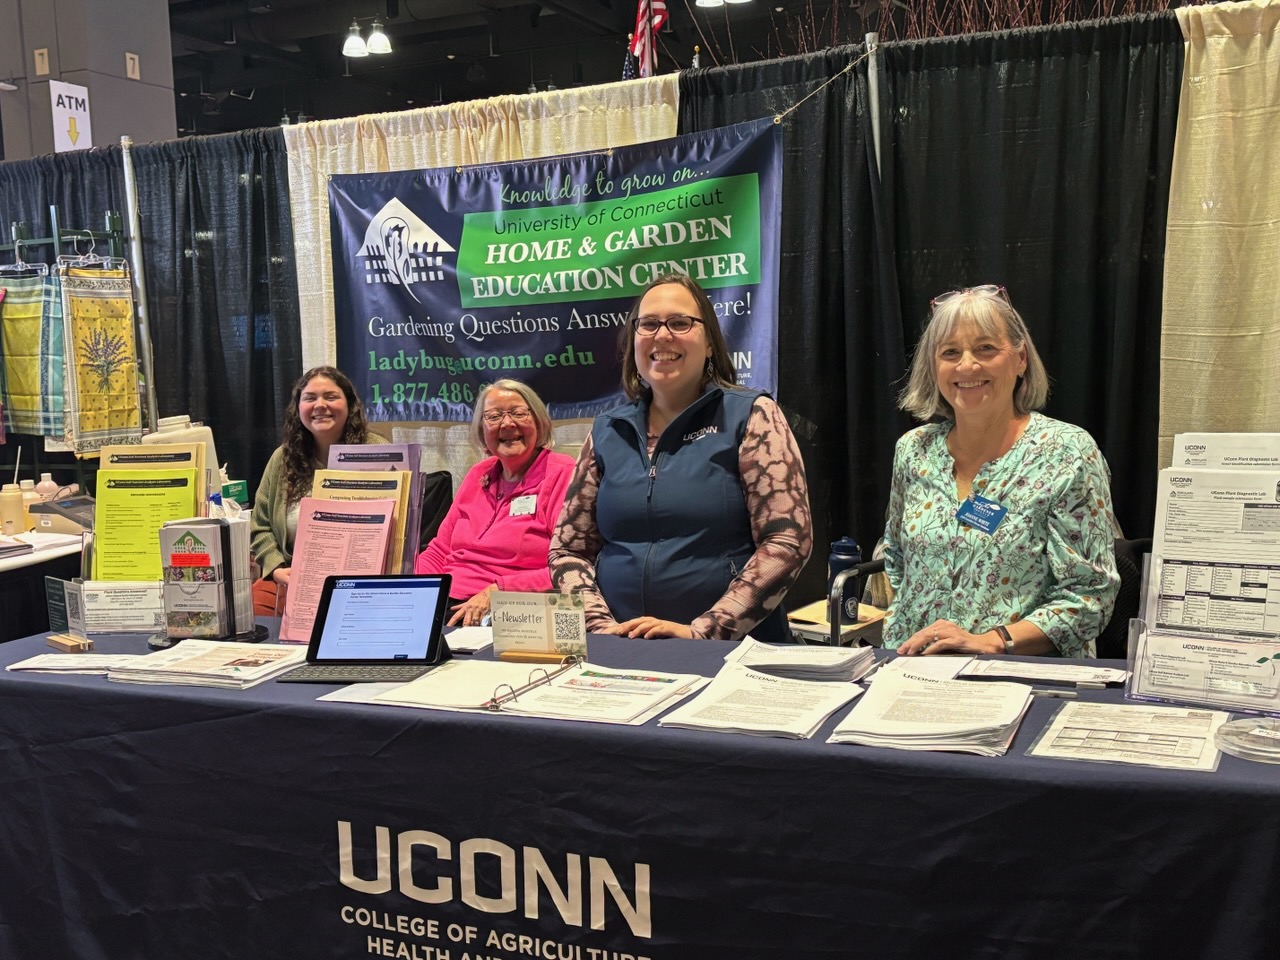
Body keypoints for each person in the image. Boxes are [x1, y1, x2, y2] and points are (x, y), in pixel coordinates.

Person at [549, 274, 812, 643]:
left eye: (679, 322)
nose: (662, 335)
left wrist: (703, 632)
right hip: (620, 650)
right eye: (649, 323)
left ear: (709, 344)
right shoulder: (608, 430)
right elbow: (568, 548)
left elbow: (787, 542)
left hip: (728, 652)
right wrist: (599, 628)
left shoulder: (752, 415)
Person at [883, 284, 1120, 658]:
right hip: (914, 671)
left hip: (1020, 677)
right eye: (949, 352)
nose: (966, 365)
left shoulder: (1066, 452)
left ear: (1021, 358)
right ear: (933, 366)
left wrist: (992, 641)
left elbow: (1089, 595)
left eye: (985, 349)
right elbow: (896, 561)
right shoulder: (914, 450)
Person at [415, 379, 574, 626]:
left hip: (507, 611)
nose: (507, 423)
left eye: (519, 413)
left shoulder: (562, 474)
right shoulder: (478, 473)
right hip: (445, 598)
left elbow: (571, 566)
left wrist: (497, 590)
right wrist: (411, 588)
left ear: (541, 422)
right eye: (494, 416)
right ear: (481, 430)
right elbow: (440, 550)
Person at [251, 365, 381, 616]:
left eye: (331, 397)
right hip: (294, 578)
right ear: (298, 408)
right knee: (255, 611)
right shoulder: (282, 459)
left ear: (350, 404)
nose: (320, 405)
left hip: (360, 583)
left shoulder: (378, 453)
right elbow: (260, 524)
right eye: (310, 398)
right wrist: (276, 569)